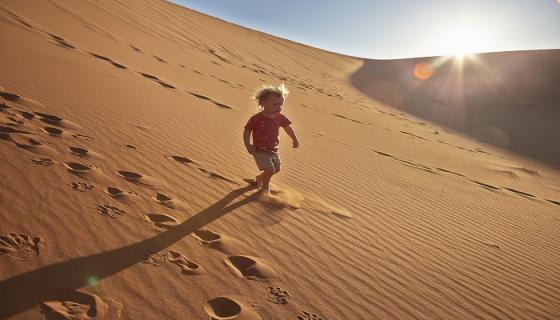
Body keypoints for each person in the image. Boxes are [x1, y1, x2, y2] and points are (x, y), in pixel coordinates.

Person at [243, 84, 299, 194]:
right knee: (270, 169)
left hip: (273, 150)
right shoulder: (256, 119)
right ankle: (265, 189)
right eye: (275, 104)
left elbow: (287, 128)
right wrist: (247, 144)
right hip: (259, 150)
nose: (279, 107)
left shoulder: (280, 117)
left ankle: (260, 178)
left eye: (281, 104)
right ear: (263, 103)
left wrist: (294, 139)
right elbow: (247, 131)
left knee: (276, 169)